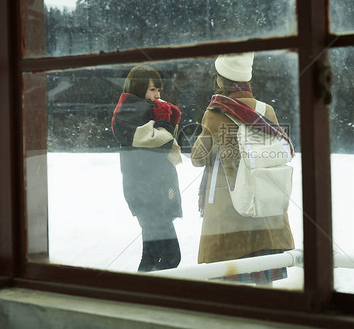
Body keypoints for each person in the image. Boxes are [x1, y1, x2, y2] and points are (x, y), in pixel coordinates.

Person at [191, 52, 295, 285]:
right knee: (263, 274)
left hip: (230, 209)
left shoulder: (215, 112)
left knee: (231, 277)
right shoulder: (266, 110)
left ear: (221, 79)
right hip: (263, 203)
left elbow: (199, 157)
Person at [112, 65, 183, 272]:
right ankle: (147, 294)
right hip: (147, 194)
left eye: (158, 90)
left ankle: (142, 294)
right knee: (171, 256)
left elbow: (166, 146)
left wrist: (166, 121)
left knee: (152, 256)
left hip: (155, 191)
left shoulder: (147, 111)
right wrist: (164, 122)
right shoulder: (128, 112)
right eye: (152, 89)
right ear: (138, 88)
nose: (157, 95)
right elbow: (160, 143)